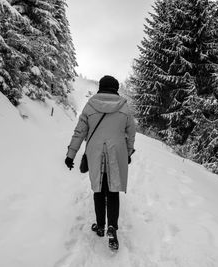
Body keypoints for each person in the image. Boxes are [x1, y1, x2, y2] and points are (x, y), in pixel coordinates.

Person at [65, 75, 136, 250]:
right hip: (116, 152)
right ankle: (112, 227)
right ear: (115, 88)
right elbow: (131, 132)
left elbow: (79, 132)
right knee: (113, 190)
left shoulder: (90, 105)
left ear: (100, 88)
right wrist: (127, 152)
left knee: (98, 189)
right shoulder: (124, 107)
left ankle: (100, 227)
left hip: (95, 153)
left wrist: (70, 155)